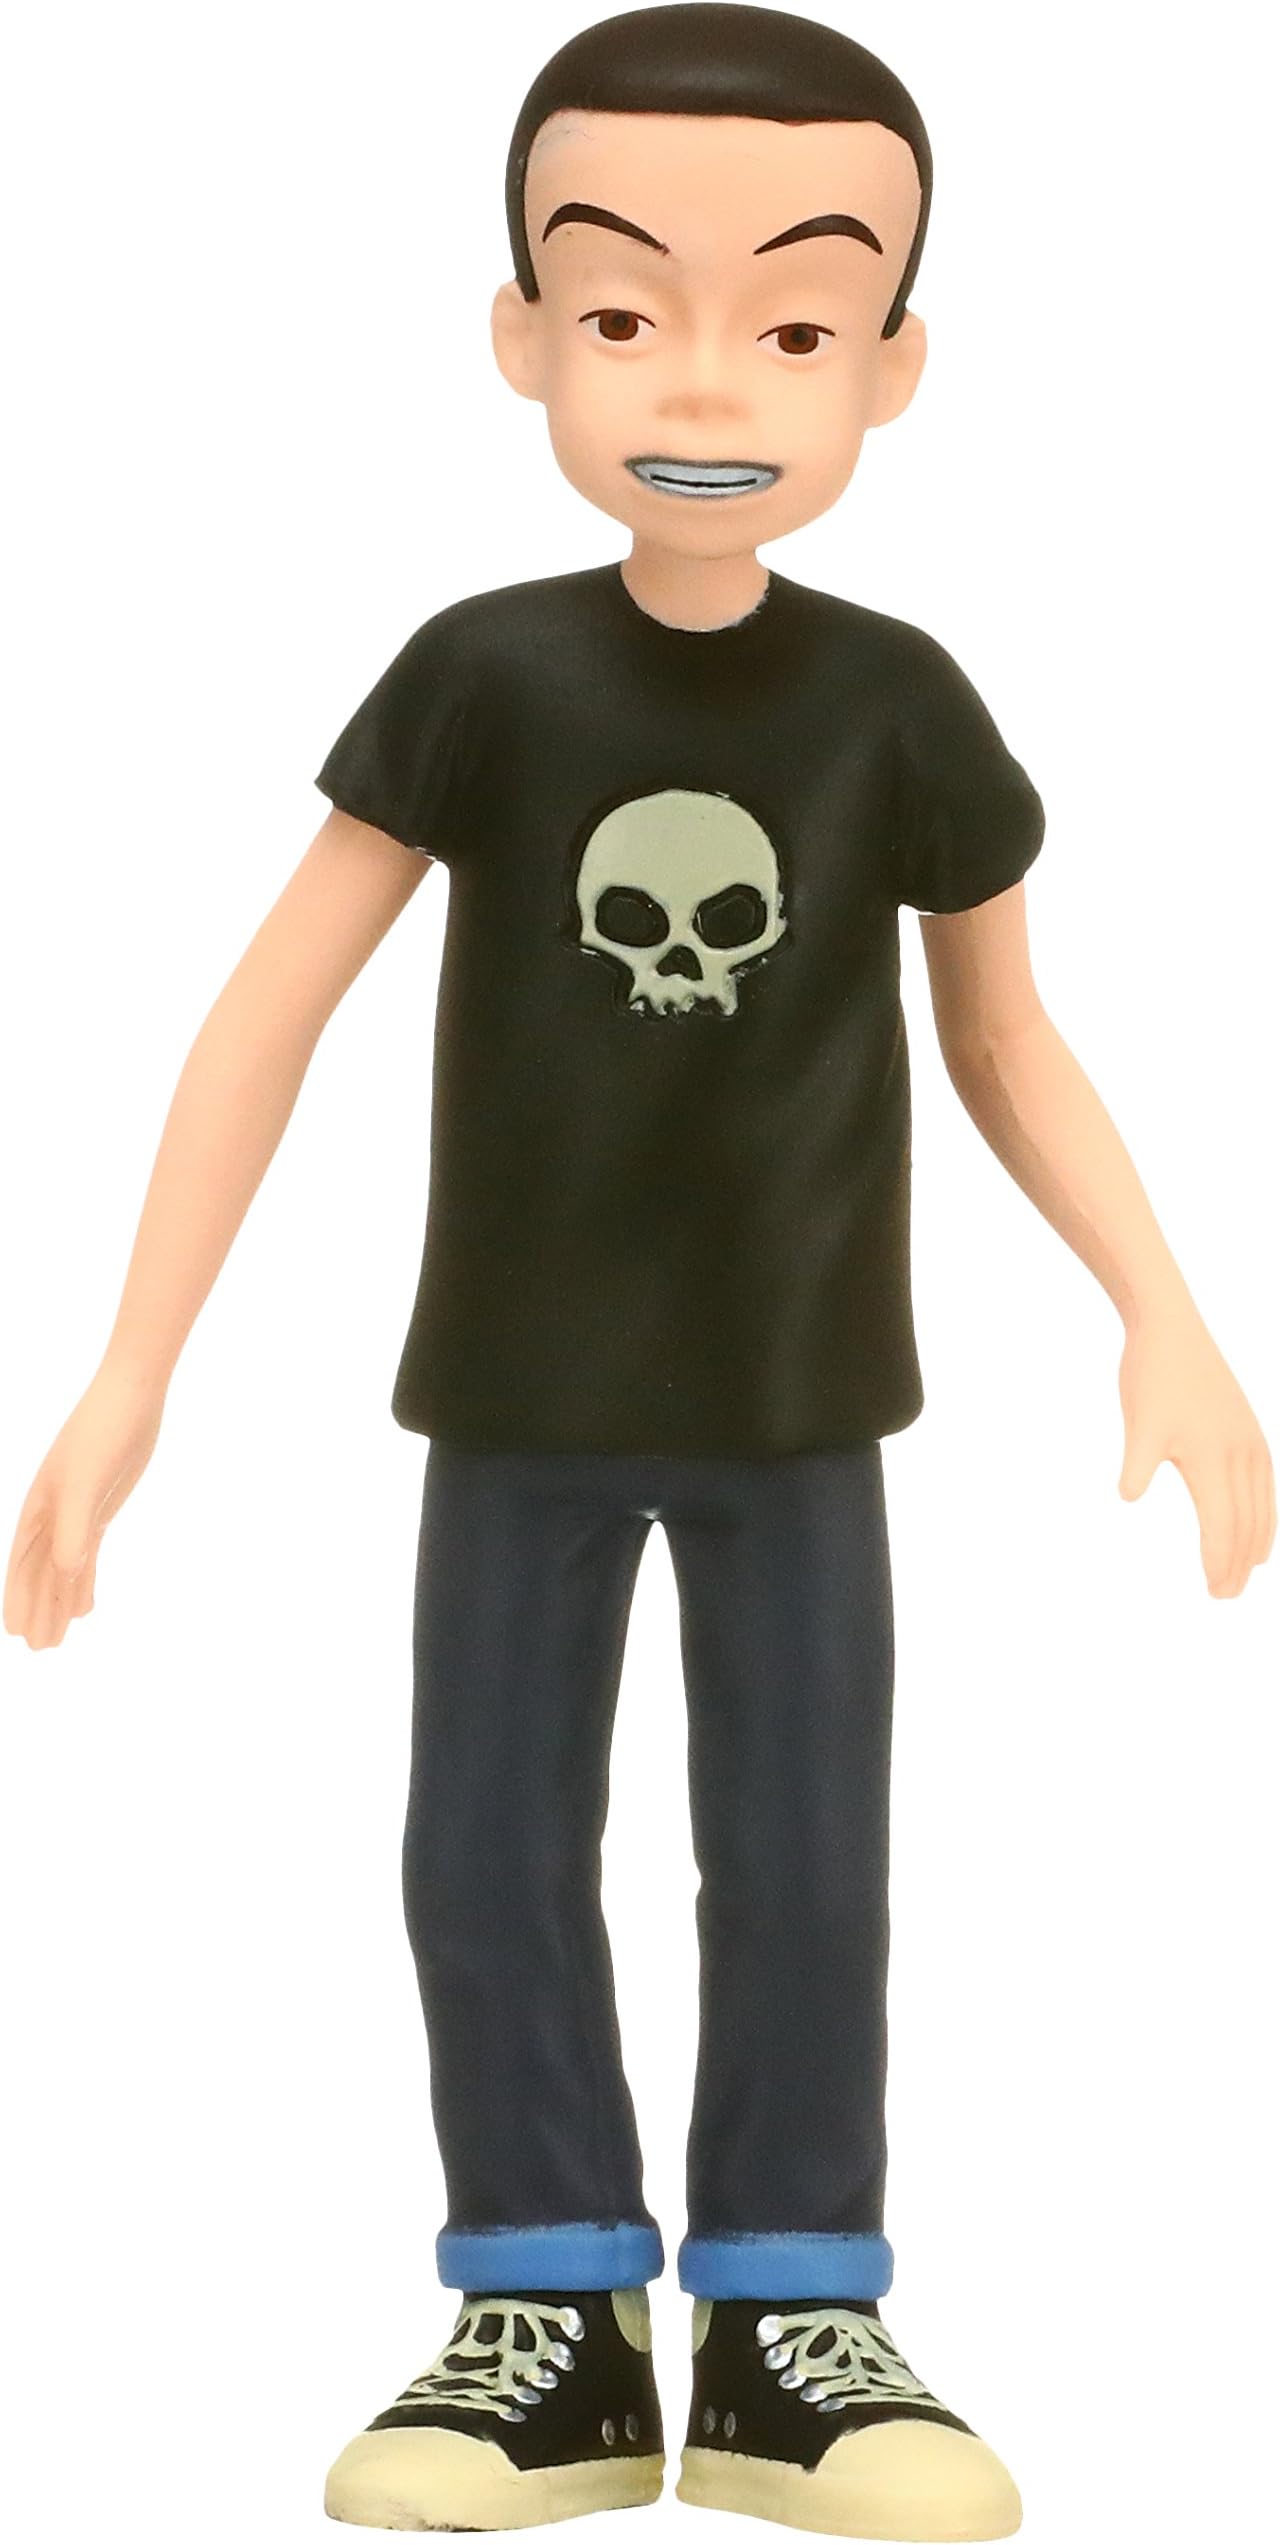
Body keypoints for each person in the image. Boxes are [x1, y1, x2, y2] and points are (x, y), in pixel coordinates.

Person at [5, 8, 1273, 2539]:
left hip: (802, 1400)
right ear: (520, 336)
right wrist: (131, 1368)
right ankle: (548, 2309)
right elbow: (267, 1008)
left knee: (803, 1856)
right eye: (619, 309)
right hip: (512, 1390)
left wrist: (1169, 1311)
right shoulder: (480, 674)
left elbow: (1006, 1032)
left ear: (892, 363)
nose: (702, 379)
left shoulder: (896, 702)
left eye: (793, 321)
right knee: (483, 1844)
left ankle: (798, 2311)